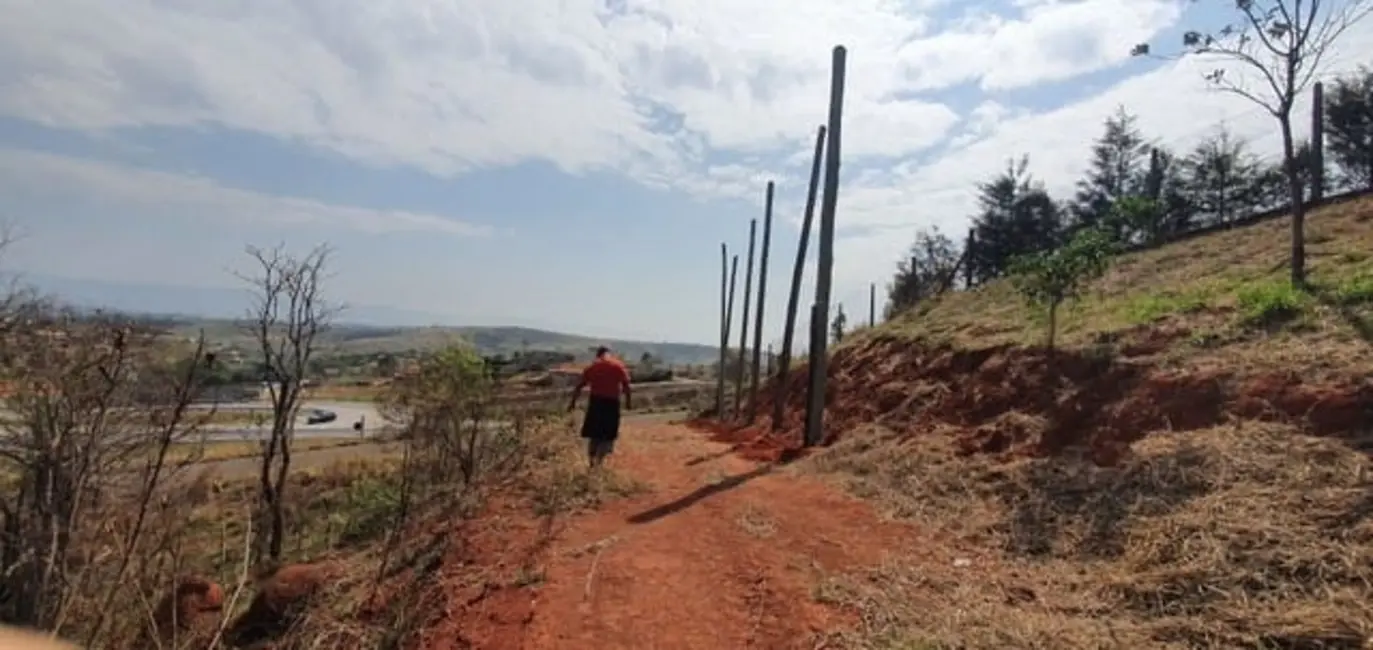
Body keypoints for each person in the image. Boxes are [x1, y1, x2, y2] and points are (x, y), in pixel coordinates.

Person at [567, 346, 632, 469]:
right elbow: (626, 386)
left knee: (594, 435)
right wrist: (628, 403)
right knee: (607, 435)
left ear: (598, 355)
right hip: (612, 403)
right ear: (609, 354)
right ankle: (599, 462)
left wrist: (572, 403)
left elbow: (579, 386)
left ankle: (592, 462)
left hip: (596, 403)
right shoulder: (618, 366)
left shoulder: (592, 367)